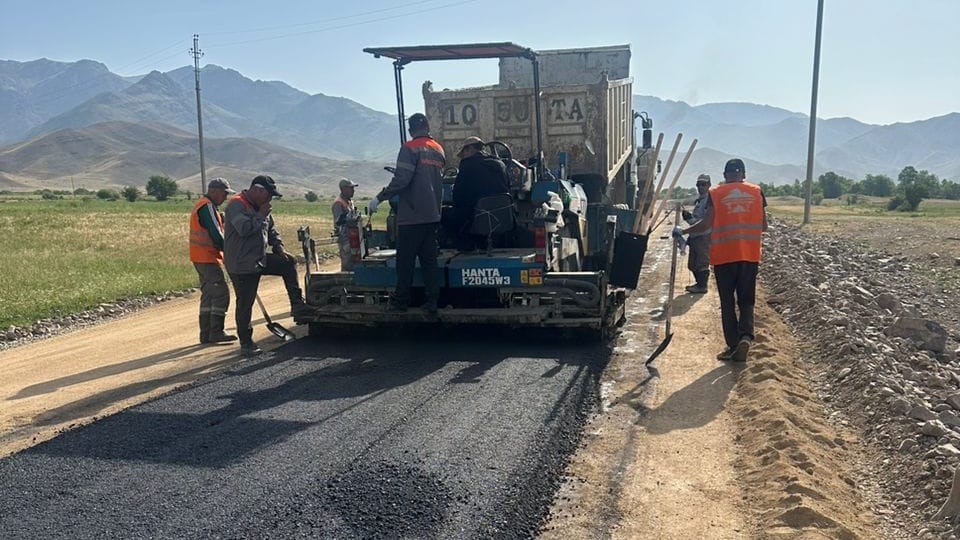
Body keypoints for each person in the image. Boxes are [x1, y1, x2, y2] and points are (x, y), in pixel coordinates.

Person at [680, 158, 767, 363]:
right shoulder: (757, 192)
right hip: (749, 256)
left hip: (724, 257)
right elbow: (763, 225)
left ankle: (733, 345)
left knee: (727, 302)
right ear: (743, 174)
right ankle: (746, 336)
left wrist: (682, 231)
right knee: (746, 300)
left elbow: (706, 224)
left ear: (725, 175)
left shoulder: (717, 193)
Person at [367, 113, 445, 313]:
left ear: (410, 130)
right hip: (432, 215)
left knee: (405, 262)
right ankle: (432, 302)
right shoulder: (438, 149)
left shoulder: (409, 148)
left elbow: (402, 179)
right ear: (428, 126)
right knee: (429, 261)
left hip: (412, 216)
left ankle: (401, 302)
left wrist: (380, 197)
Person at [223, 175, 308, 356]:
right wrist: (260, 215)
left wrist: (278, 246)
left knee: (287, 263)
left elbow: (271, 229)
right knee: (245, 303)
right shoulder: (236, 205)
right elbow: (244, 229)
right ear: (257, 190)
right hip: (241, 263)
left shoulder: (261, 206)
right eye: (268, 195)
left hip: (258, 258)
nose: (270, 200)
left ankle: (297, 305)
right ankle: (246, 343)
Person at [188, 177, 238, 344]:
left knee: (209, 295)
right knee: (221, 293)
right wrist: (229, 250)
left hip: (200, 256)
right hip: (207, 256)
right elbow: (215, 233)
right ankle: (216, 331)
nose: (225, 197)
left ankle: (206, 333)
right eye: (224, 194)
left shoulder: (204, 205)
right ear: (214, 192)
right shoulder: (207, 206)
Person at [445, 136, 511, 251]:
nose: (463, 156)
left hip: (476, 217)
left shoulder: (467, 164)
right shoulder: (500, 164)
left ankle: (465, 247)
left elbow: (458, 196)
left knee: (445, 215)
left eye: (464, 153)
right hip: (501, 217)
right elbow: (507, 188)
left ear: (470, 149)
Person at [681, 174, 712, 294]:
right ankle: (698, 283)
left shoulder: (709, 200)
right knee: (692, 264)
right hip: (695, 235)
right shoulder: (700, 200)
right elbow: (696, 220)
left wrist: (690, 221)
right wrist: (689, 218)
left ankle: (702, 286)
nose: (701, 187)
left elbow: (704, 222)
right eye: (698, 185)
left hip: (703, 236)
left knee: (702, 262)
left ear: (709, 185)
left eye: (703, 184)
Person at [332, 178, 360, 271]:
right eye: (351, 188)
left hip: (353, 238)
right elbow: (338, 223)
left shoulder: (350, 202)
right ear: (343, 189)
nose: (353, 190)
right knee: (347, 265)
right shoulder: (338, 203)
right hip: (345, 240)